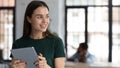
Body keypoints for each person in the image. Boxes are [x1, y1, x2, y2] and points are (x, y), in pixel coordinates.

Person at [10, 0, 65, 68]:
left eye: (47, 16)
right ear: (29, 19)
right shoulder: (18, 44)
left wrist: (46, 67)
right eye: (39, 17)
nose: (45, 21)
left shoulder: (56, 42)